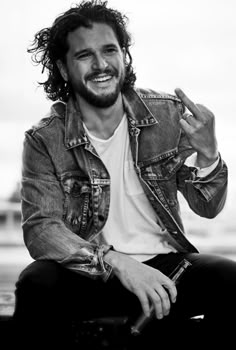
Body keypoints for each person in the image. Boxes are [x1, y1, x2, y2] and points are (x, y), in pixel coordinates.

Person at [13, 0, 235, 348]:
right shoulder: (45, 139)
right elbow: (42, 230)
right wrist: (116, 262)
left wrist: (208, 154)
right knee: (35, 284)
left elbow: (207, 207)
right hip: (86, 273)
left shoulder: (167, 115)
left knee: (230, 278)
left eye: (110, 50)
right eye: (84, 55)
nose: (101, 64)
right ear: (63, 67)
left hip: (165, 272)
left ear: (124, 55)